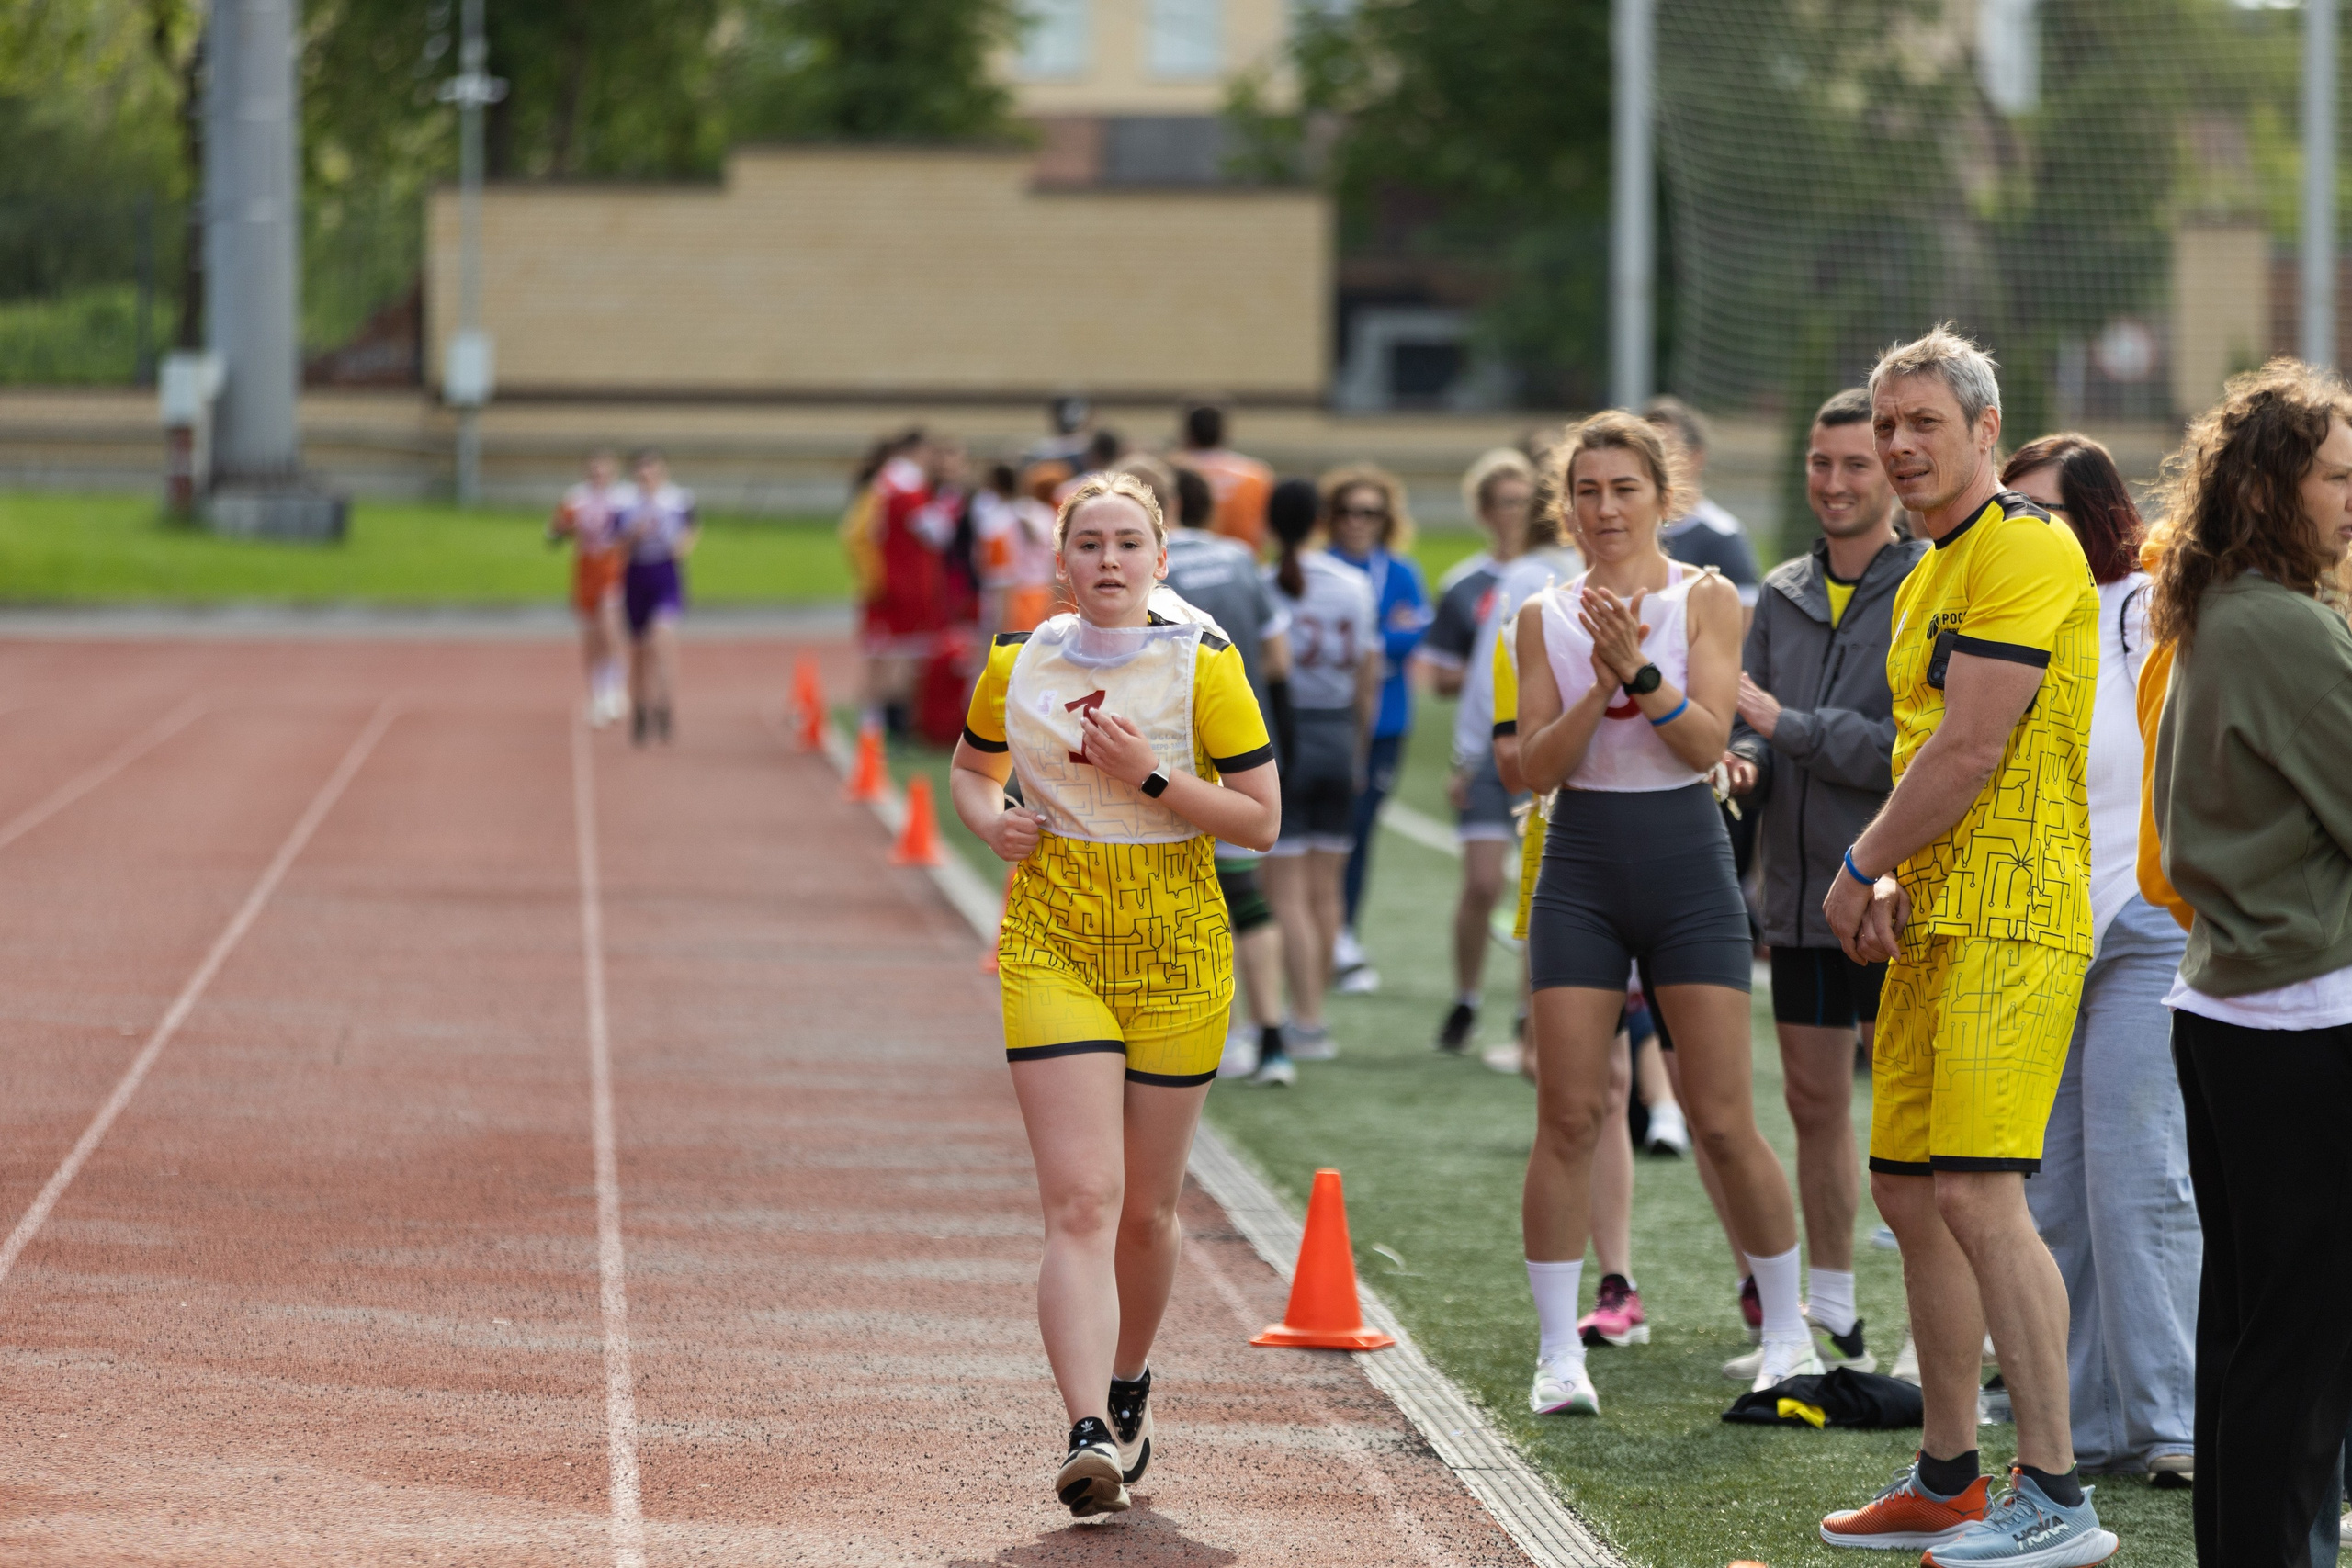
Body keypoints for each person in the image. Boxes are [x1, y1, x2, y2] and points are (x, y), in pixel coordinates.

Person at [1817, 326, 2112, 1562]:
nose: (1896, 444)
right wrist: (1892, 872)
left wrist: (1859, 860)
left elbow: (1972, 746)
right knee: (1908, 1189)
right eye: (1887, 422)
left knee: (1986, 1193)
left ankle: (2058, 1492)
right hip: (1936, 912)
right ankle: (1950, 1471)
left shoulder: (2028, 546)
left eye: (1922, 421)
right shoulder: (1929, 562)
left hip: (2011, 907)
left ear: (1988, 431)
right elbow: (1920, 752)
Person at [947, 471, 1279, 1519]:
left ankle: (1130, 1381)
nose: (1106, 561)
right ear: (1060, 561)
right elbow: (969, 766)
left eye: (1127, 544)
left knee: (1146, 1211)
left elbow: (1261, 821)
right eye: (1087, 544)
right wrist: (987, 819)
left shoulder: (1203, 668)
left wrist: (1148, 777)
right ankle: (1086, 1425)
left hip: (1176, 942)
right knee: (1081, 1200)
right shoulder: (1019, 660)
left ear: (1160, 561)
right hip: (1053, 937)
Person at [1511, 410, 1815, 1417]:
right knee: (1568, 1113)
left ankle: (1787, 1335)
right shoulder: (1541, 615)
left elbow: (1705, 744)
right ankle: (1559, 1355)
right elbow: (1530, 767)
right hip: (1582, 867)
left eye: (1623, 489)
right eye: (1586, 490)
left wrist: (1638, 670)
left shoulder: (1707, 598)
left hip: (1687, 867)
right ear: (1566, 503)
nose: (1604, 508)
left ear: (1661, 497)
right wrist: (1596, 687)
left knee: (1724, 1117)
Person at [2148, 358, 2352, 1568]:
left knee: (2248, 1330)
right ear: (2272, 487)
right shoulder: (2280, 621)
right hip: (2303, 1012)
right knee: (2303, 1344)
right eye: (2334, 475)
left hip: (2236, 999)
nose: (2351, 497)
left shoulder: (2229, 605)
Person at [1997, 433, 2199, 1493]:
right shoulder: (2004, 616)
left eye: (2047, 511)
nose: (2028, 530)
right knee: (2047, 1199)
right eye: (2014, 512)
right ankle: (2074, 1426)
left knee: (2138, 1177)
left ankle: (2173, 1420)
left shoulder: (2148, 600)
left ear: (2099, 513)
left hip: (2144, 924)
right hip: (2036, 927)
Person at [1716, 388, 1927, 1385]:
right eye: (1820, 463)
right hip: (1799, 899)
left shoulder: (1929, 584)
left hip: (1894, 897)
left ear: (1891, 474)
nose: (1835, 482)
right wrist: (1746, 755)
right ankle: (1832, 1306)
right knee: (1810, 1101)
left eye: (1856, 464)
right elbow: (1750, 722)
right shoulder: (1779, 592)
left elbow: (1909, 755)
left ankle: (1937, 1329)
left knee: (1916, 1115)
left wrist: (1784, 725)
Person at [1159, 461, 1296, 1082]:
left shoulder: (1150, 574)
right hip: (1243, 749)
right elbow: (1276, 657)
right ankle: (1272, 1038)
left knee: (1185, 900)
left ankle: (1218, 1032)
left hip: (1170, 757)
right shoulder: (1241, 559)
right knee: (1245, 896)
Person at [1257, 478, 1379, 1084]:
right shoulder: (1354, 583)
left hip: (1286, 737)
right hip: (1336, 736)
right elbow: (1368, 672)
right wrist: (1359, 747)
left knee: (1284, 894)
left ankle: (1299, 1017)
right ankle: (1315, 1013)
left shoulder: (1260, 579)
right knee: (1327, 890)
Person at [1418, 448, 1537, 1053]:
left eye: (1525, 500)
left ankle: (1527, 1010)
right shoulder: (1465, 582)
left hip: (1542, 743)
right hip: (1489, 742)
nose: (1515, 512)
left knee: (1539, 888)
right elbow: (1438, 673)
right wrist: (1488, 669)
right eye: (1505, 501)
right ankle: (1466, 997)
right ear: (1485, 511)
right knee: (1483, 882)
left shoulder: (1556, 570)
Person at [1320, 464, 1430, 995]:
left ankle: (1344, 935)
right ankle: (1322, 934)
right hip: (1330, 719)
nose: (1358, 522)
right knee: (1318, 833)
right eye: (1347, 512)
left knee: (1360, 830)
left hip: (1387, 721)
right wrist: (1379, 643)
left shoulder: (1401, 571)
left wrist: (1364, 649)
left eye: (1370, 512)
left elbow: (1414, 637)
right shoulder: (1319, 569)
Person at [860, 430, 953, 735]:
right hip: (907, 582)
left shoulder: (884, 483)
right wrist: (949, 502)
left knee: (883, 653)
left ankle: (874, 722)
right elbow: (936, 532)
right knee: (904, 655)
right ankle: (895, 723)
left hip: (884, 578)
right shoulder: (907, 488)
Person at [1645, 396, 1762, 611]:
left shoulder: (1724, 537)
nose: (1657, 464)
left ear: (1696, 457)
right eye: (1649, 454)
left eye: (1668, 451)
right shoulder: (1627, 532)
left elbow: (1745, 630)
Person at [616, 449, 698, 746]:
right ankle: (640, 708)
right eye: (641, 474)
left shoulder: (677, 501)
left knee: (662, 640)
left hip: (665, 576)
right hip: (636, 577)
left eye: (652, 473)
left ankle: (665, 704)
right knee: (638, 651)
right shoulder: (625, 505)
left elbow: (690, 533)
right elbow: (618, 547)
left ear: (663, 474)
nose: (647, 479)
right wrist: (632, 536)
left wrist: (680, 545)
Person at [548, 449, 634, 728]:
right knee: (591, 636)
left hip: (613, 570)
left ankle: (615, 690)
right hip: (586, 571)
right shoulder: (576, 498)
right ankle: (596, 694)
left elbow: (633, 533)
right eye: (594, 471)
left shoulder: (625, 499)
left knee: (610, 629)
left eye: (605, 472)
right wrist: (562, 528)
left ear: (614, 473)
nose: (599, 477)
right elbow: (553, 535)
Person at [971, 462, 1057, 637]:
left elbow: (999, 575)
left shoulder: (997, 521)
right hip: (1043, 596)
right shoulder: (1046, 513)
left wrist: (1000, 622)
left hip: (1012, 601)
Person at [1176, 402, 1274, 553]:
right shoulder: (1256, 474)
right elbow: (1267, 532)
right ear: (1224, 433)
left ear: (1188, 434)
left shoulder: (1170, 473)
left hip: (1184, 565)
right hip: (1244, 566)